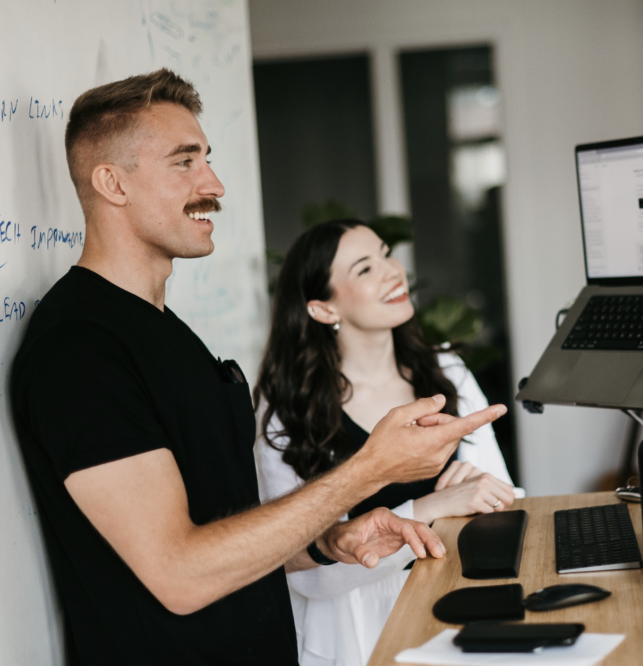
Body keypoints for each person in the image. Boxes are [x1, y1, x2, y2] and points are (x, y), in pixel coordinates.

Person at [10, 69, 508, 666]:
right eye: (184, 162)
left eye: (208, 160)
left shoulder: (166, 333)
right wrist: (368, 469)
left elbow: (227, 537)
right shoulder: (79, 349)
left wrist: (327, 544)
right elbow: (181, 573)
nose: (213, 183)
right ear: (113, 183)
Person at [254, 220, 524, 666]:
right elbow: (306, 575)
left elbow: (505, 497)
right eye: (364, 269)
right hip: (359, 632)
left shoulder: (445, 369)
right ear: (322, 309)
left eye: (385, 253)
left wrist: (482, 489)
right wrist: (429, 509)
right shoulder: (286, 408)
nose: (392, 271)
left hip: (463, 599)